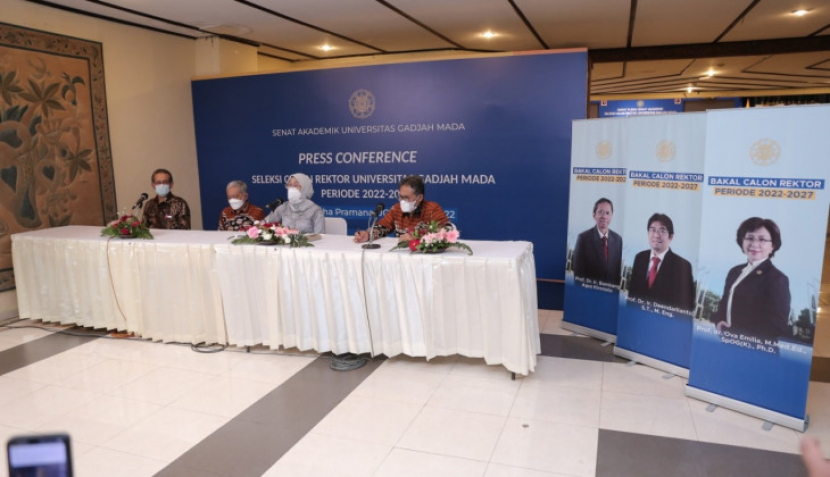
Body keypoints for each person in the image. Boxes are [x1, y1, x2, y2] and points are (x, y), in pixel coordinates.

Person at [711, 217, 791, 340]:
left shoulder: (777, 278)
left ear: (773, 245)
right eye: (750, 238)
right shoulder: (735, 271)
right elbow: (724, 303)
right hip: (727, 343)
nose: (754, 244)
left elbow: (778, 324)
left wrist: (736, 334)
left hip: (757, 350)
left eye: (762, 239)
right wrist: (719, 321)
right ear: (742, 241)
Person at [627, 213, 695, 311]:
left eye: (662, 231)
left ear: (671, 237)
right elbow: (631, 297)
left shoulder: (682, 266)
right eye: (653, 230)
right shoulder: (640, 257)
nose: (656, 235)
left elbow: (686, 308)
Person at [354, 175, 451, 243]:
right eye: (400, 197)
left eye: (406, 198)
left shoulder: (432, 209)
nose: (402, 201)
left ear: (420, 198)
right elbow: (382, 228)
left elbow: (448, 230)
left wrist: (417, 237)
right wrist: (368, 234)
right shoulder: (396, 209)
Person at [571, 198, 623, 284]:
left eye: (607, 213)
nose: (604, 216)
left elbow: (616, 273)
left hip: (610, 293)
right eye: (600, 212)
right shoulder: (583, 238)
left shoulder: (618, 240)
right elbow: (578, 274)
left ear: (611, 216)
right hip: (590, 291)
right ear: (594, 214)